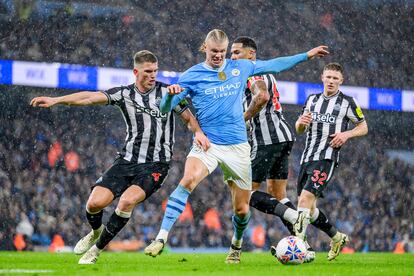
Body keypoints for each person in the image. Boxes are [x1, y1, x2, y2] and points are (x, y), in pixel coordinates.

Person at [144, 29, 329, 263]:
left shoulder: (240, 67)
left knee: (242, 209)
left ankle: (236, 245)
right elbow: (163, 108)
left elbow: (276, 65)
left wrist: (307, 55)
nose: (219, 56)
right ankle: (160, 238)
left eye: (222, 52)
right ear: (205, 48)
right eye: (214, 52)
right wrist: (170, 96)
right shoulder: (192, 75)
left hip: (238, 148)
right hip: (209, 145)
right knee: (188, 180)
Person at [30, 50, 210, 264]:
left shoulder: (168, 93)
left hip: (156, 164)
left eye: (155, 71)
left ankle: (96, 250)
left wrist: (198, 132)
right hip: (126, 161)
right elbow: (89, 97)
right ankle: (96, 233)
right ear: (136, 71)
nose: (153, 75)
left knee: (126, 202)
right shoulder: (124, 94)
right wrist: (56, 100)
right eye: (148, 72)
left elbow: (188, 119)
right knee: (94, 204)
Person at [230, 36, 316, 262]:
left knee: (245, 193)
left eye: (237, 52)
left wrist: (244, 118)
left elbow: (262, 96)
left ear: (251, 55)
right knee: (279, 195)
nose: (232, 57)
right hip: (283, 136)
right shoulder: (265, 73)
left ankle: (293, 216)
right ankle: (304, 246)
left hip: (266, 139)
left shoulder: (252, 73)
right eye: (232, 53)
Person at [293, 62, 368, 261]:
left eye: (335, 78)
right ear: (322, 77)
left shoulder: (347, 102)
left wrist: (346, 134)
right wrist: (300, 123)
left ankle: (299, 247)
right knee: (308, 208)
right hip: (307, 157)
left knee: (303, 201)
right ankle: (337, 237)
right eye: (328, 77)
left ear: (341, 81)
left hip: (327, 157)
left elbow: (363, 127)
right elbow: (300, 129)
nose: (331, 81)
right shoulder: (311, 100)